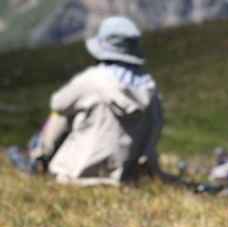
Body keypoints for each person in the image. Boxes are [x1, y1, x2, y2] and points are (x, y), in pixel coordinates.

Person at [8, 16, 164, 186]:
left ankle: (37, 159)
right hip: (127, 177)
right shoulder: (150, 89)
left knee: (61, 112)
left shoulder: (92, 80)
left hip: (74, 174)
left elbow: (57, 103)